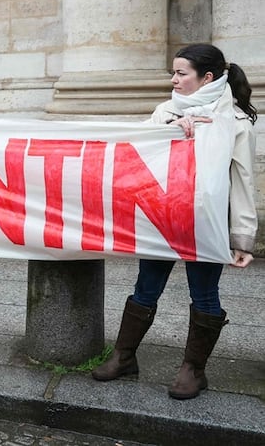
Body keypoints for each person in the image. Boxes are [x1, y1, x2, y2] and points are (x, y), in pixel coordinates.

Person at [91, 43, 256, 400]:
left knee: (204, 293)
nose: (173, 79)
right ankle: (123, 357)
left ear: (206, 78)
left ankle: (193, 371)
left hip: (206, 223)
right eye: (174, 72)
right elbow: (139, 144)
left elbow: (243, 181)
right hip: (163, 217)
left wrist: (242, 239)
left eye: (181, 73)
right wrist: (170, 126)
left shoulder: (236, 122)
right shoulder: (166, 110)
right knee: (146, 287)